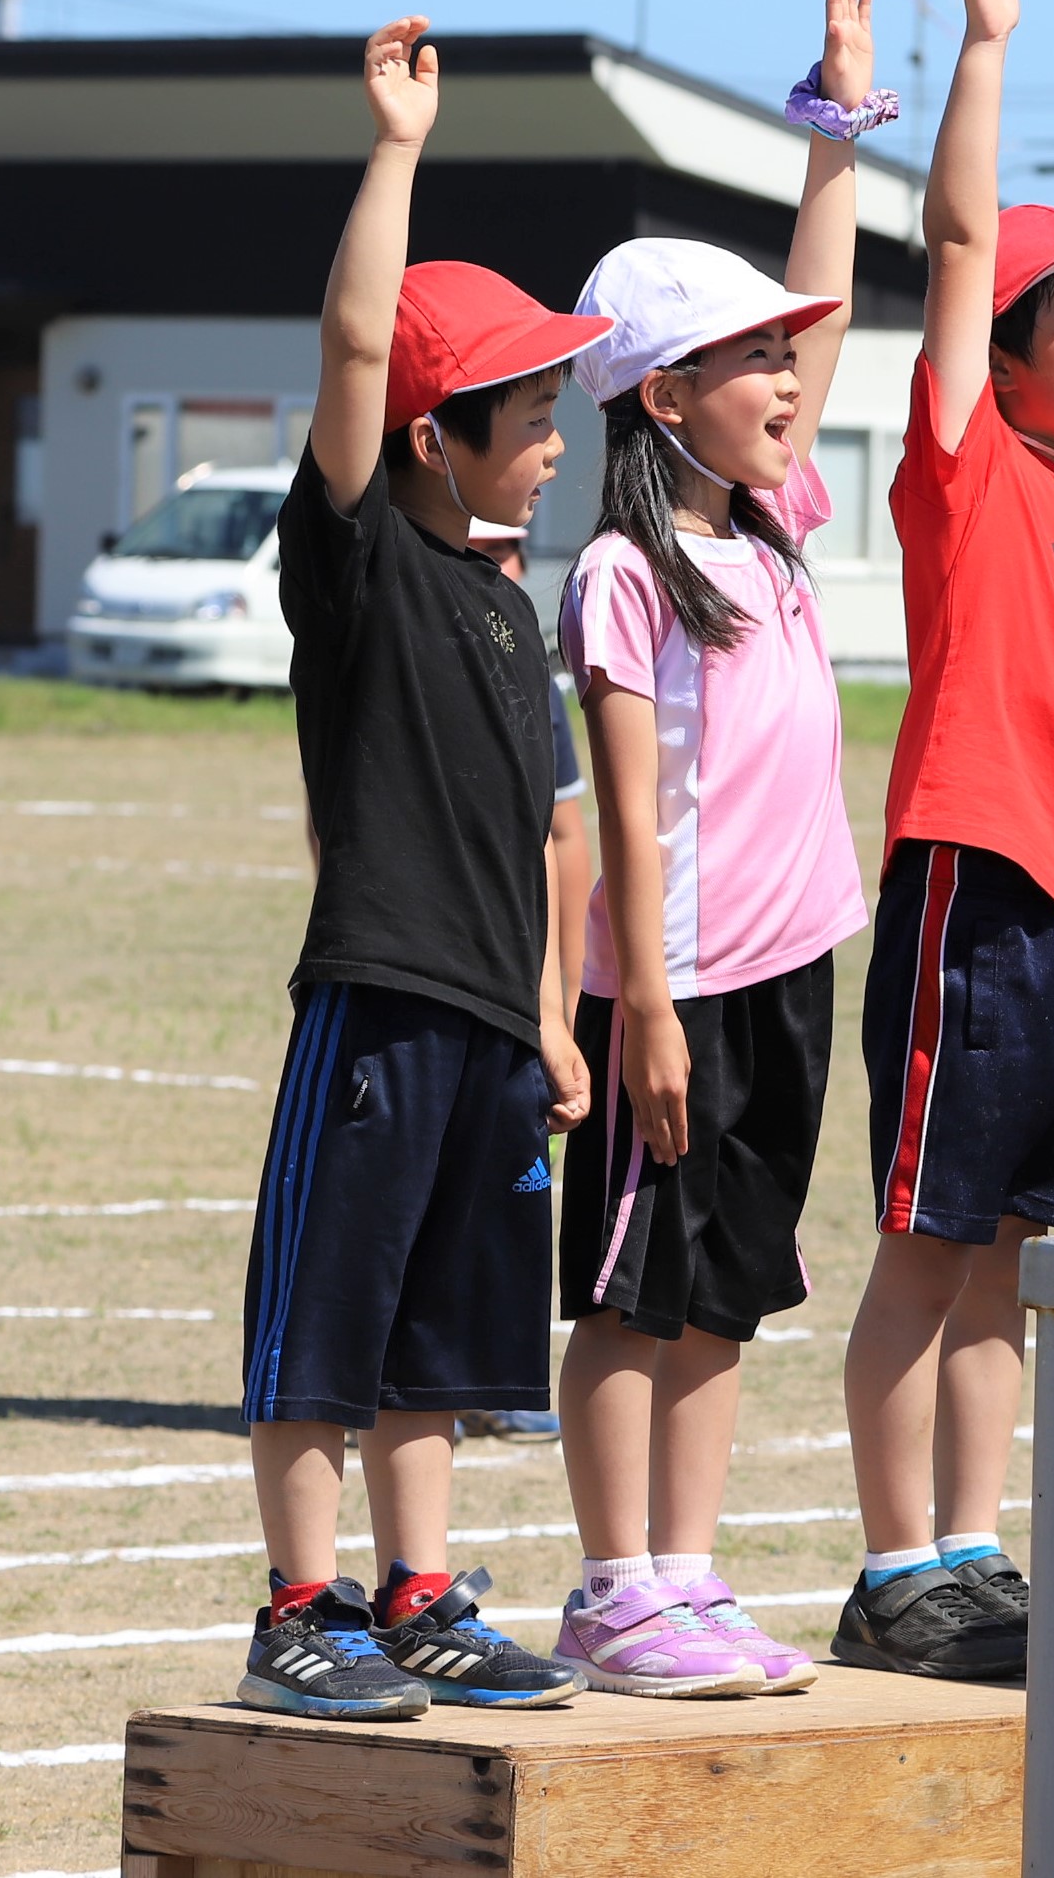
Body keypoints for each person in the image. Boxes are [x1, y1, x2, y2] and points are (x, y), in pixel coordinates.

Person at [236, 17, 593, 1719]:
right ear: (434, 433)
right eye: (522, 410)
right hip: (379, 996)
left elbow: (536, 836)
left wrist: (549, 1022)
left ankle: (418, 1590)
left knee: (445, 1336)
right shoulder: (363, 561)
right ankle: (301, 1602)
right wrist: (397, 150)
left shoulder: (513, 608)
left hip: (485, 1027)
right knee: (329, 1316)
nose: (551, 437)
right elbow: (360, 338)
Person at [833, 0, 1054, 1682]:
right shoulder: (967, 466)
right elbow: (956, 239)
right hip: (969, 890)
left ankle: (972, 1551)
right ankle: (896, 1566)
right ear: (1012, 343)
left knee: (1012, 1268)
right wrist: (984, 45)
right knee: (923, 1241)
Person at [545, 0, 880, 1699]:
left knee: (728, 1284)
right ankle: (611, 1586)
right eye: (739, 360)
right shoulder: (624, 569)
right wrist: (649, 1005)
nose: (780, 376)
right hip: (663, 985)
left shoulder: (772, 523)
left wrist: (832, 126)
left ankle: (687, 1567)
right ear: (657, 396)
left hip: (786, 968)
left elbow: (819, 303)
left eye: (777, 356)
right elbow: (614, 804)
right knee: (628, 1285)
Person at [457, 519, 582, 1451]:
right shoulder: (415, 643)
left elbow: (563, 838)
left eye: (513, 555)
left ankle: (494, 1375)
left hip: (521, 970)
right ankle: (414, 1377)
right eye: (487, 549)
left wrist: (564, 994)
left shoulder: (532, 673)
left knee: (511, 1179)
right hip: (440, 961)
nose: (504, 568)